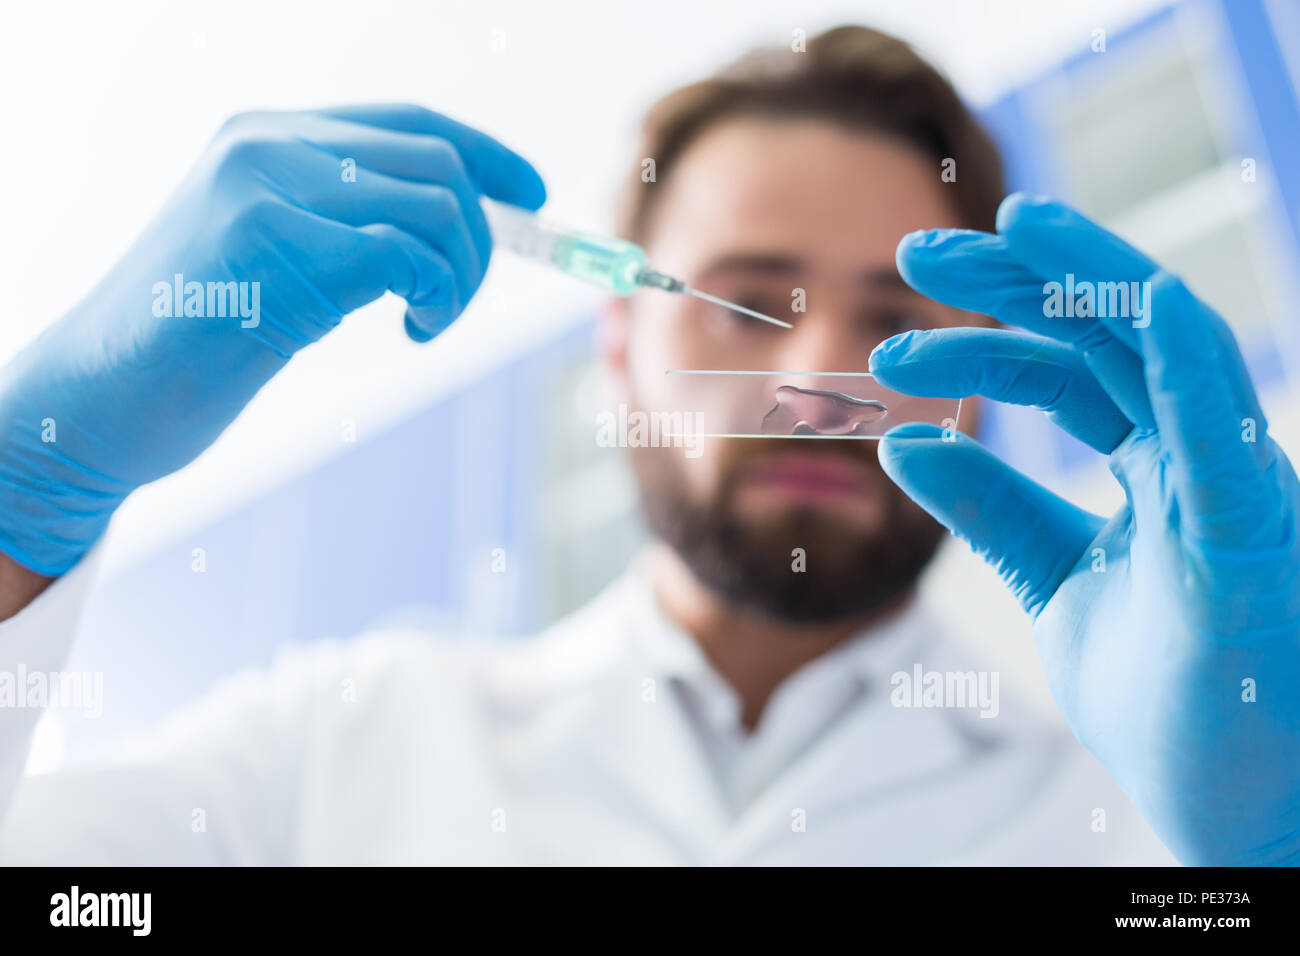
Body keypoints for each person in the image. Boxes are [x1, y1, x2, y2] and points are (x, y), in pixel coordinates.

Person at [0, 25, 1296, 865]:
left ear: (991, 383)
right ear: (619, 345)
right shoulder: (335, 749)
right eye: (750, 298)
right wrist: (21, 500)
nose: (817, 382)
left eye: (895, 322)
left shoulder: (1143, 826)